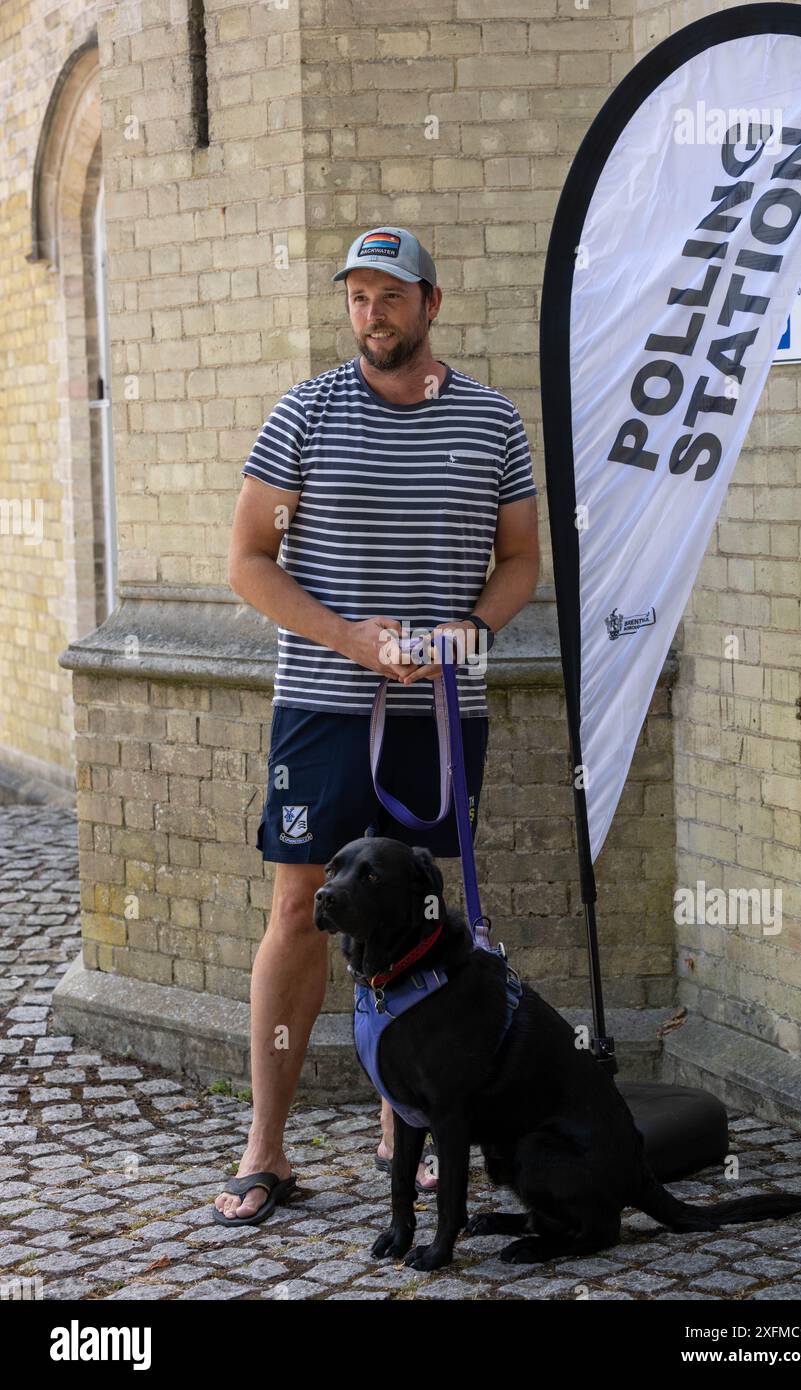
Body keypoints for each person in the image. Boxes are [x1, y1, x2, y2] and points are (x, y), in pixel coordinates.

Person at [214, 225, 539, 1223]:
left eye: (390, 296)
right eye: (357, 296)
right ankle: (264, 1148)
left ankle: (413, 1142)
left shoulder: (490, 422)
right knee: (298, 912)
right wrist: (353, 642)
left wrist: (468, 629)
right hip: (321, 708)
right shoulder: (302, 414)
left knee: (426, 925)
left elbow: (521, 562)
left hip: (439, 712)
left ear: (430, 305)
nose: (371, 313)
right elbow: (249, 565)